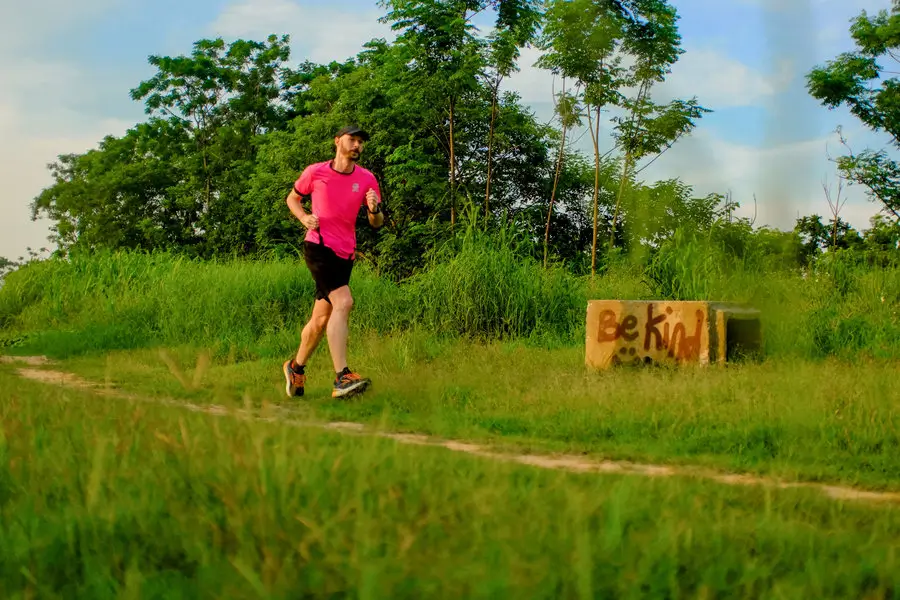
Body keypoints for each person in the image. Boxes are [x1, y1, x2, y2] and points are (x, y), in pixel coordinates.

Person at [282, 124, 384, 399]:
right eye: (352, 140)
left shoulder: (366, 179)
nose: (357, 146)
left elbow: (376, 223)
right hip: (318, 247)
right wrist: (303, 218)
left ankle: (295, 367)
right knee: (344, 302)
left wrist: (374, 209)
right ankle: (342, 377)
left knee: (320, 320)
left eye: (361, 142)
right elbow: (293, 198)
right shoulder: (315, 172)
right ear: (338, 141)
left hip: (345, 253)